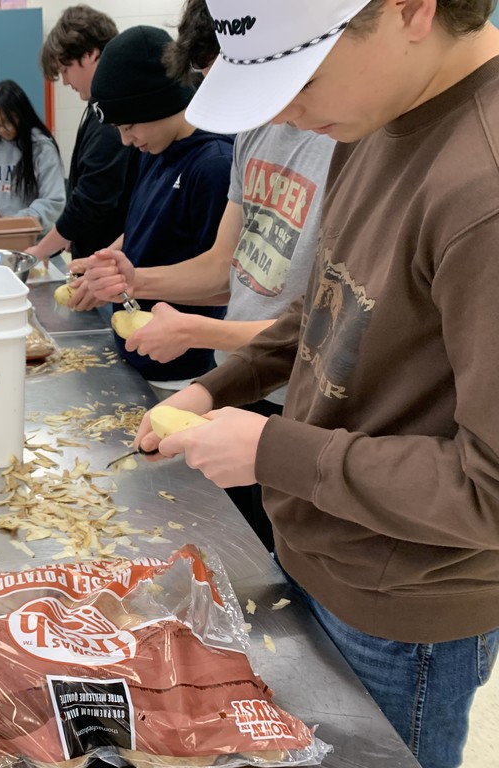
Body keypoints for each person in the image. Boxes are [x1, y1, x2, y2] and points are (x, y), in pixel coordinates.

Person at [135, 2, 499, 766]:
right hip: (320, 559)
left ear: (411, 10)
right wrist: (216, 387)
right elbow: (326, 304)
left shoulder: (482, 187)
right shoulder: (375, 120)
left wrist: (275, 449)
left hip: (405, 610)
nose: (285, 113)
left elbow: (489, 489)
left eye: (301, 77)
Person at [82, 0, 336, 550]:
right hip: (242, 386)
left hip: (306, 409)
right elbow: (227, 269)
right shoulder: (253, 135)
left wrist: (198, 335)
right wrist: (137, 282)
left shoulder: (344, 139)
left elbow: (327, 329)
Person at [87, 25, 233, 397]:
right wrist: (109, 257)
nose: (125, 140)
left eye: (129, 125)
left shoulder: (214, 166)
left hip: (183, 371)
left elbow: (221, 279)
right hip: (140, 358)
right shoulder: (155, 148)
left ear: (162, 102)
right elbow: (147, 225)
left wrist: (130, 281)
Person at [26, 4, 136, 266]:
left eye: (65, 70)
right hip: (101, 260)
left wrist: (40, 250)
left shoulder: (112, 114)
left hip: (115, 265)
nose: (64, 81)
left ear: (90, 54)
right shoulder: (97, 107)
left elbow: (92, 200)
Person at [0, 79, 66, 230]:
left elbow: (53, 200)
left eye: (8, 122)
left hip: (35, 241)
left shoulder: (42, 148)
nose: (3, 129)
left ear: (21, 116)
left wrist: (17, 221)